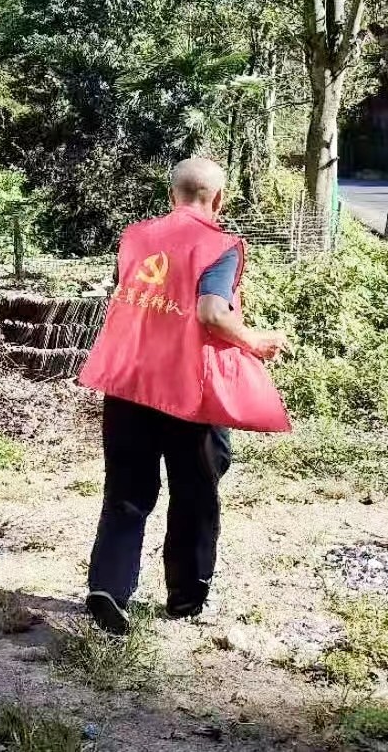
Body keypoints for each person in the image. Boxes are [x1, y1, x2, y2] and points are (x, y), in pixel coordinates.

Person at [78, 157, 291, 636]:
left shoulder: (134, 237)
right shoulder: (221, 246)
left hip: (128, 382)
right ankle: (186, 600)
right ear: (219, 199)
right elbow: (212, 312)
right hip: (189, 393)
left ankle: (108, 590)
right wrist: (255, 340)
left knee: (127, 492)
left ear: (171, 194)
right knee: (195, 493)